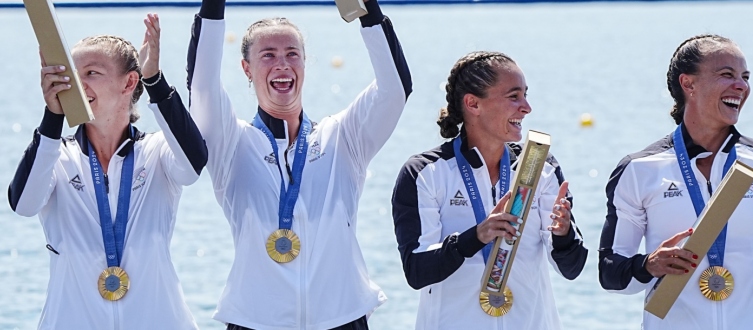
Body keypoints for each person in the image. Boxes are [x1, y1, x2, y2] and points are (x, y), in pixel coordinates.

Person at [186, 0, 411, 328]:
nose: (282, 64)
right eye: (268, 55)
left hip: (342, 318)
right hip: (256, 321)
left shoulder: (343, 137)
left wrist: (369, 12)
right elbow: (201, 86)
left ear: (305, 63)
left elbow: (394, 91)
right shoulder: (230, 142)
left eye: (292, 53)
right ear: (246, 68)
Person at [8, 14, 206, 329]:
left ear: (129, 82)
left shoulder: (156, 152)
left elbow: (194, 163)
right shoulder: (56, 156)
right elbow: (23, 204)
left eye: (92, 73)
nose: (76, 83)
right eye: (73, 73)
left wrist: (153, 79)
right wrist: (52, 115)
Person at [391, 51, 587, 329]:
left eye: (525, 95)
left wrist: (563, 234)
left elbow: (572, 268)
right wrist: (475, 237)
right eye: (514, 96)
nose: (527, 107)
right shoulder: (425, 172)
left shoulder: (539, 166)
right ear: (473, 104)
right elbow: (417, 271)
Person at [598, 34, 753, 329]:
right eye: (726, 75)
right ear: (688, 84)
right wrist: (648, 265)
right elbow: (610, 275)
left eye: (745, 77)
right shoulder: (639, 169)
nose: (741, 86)